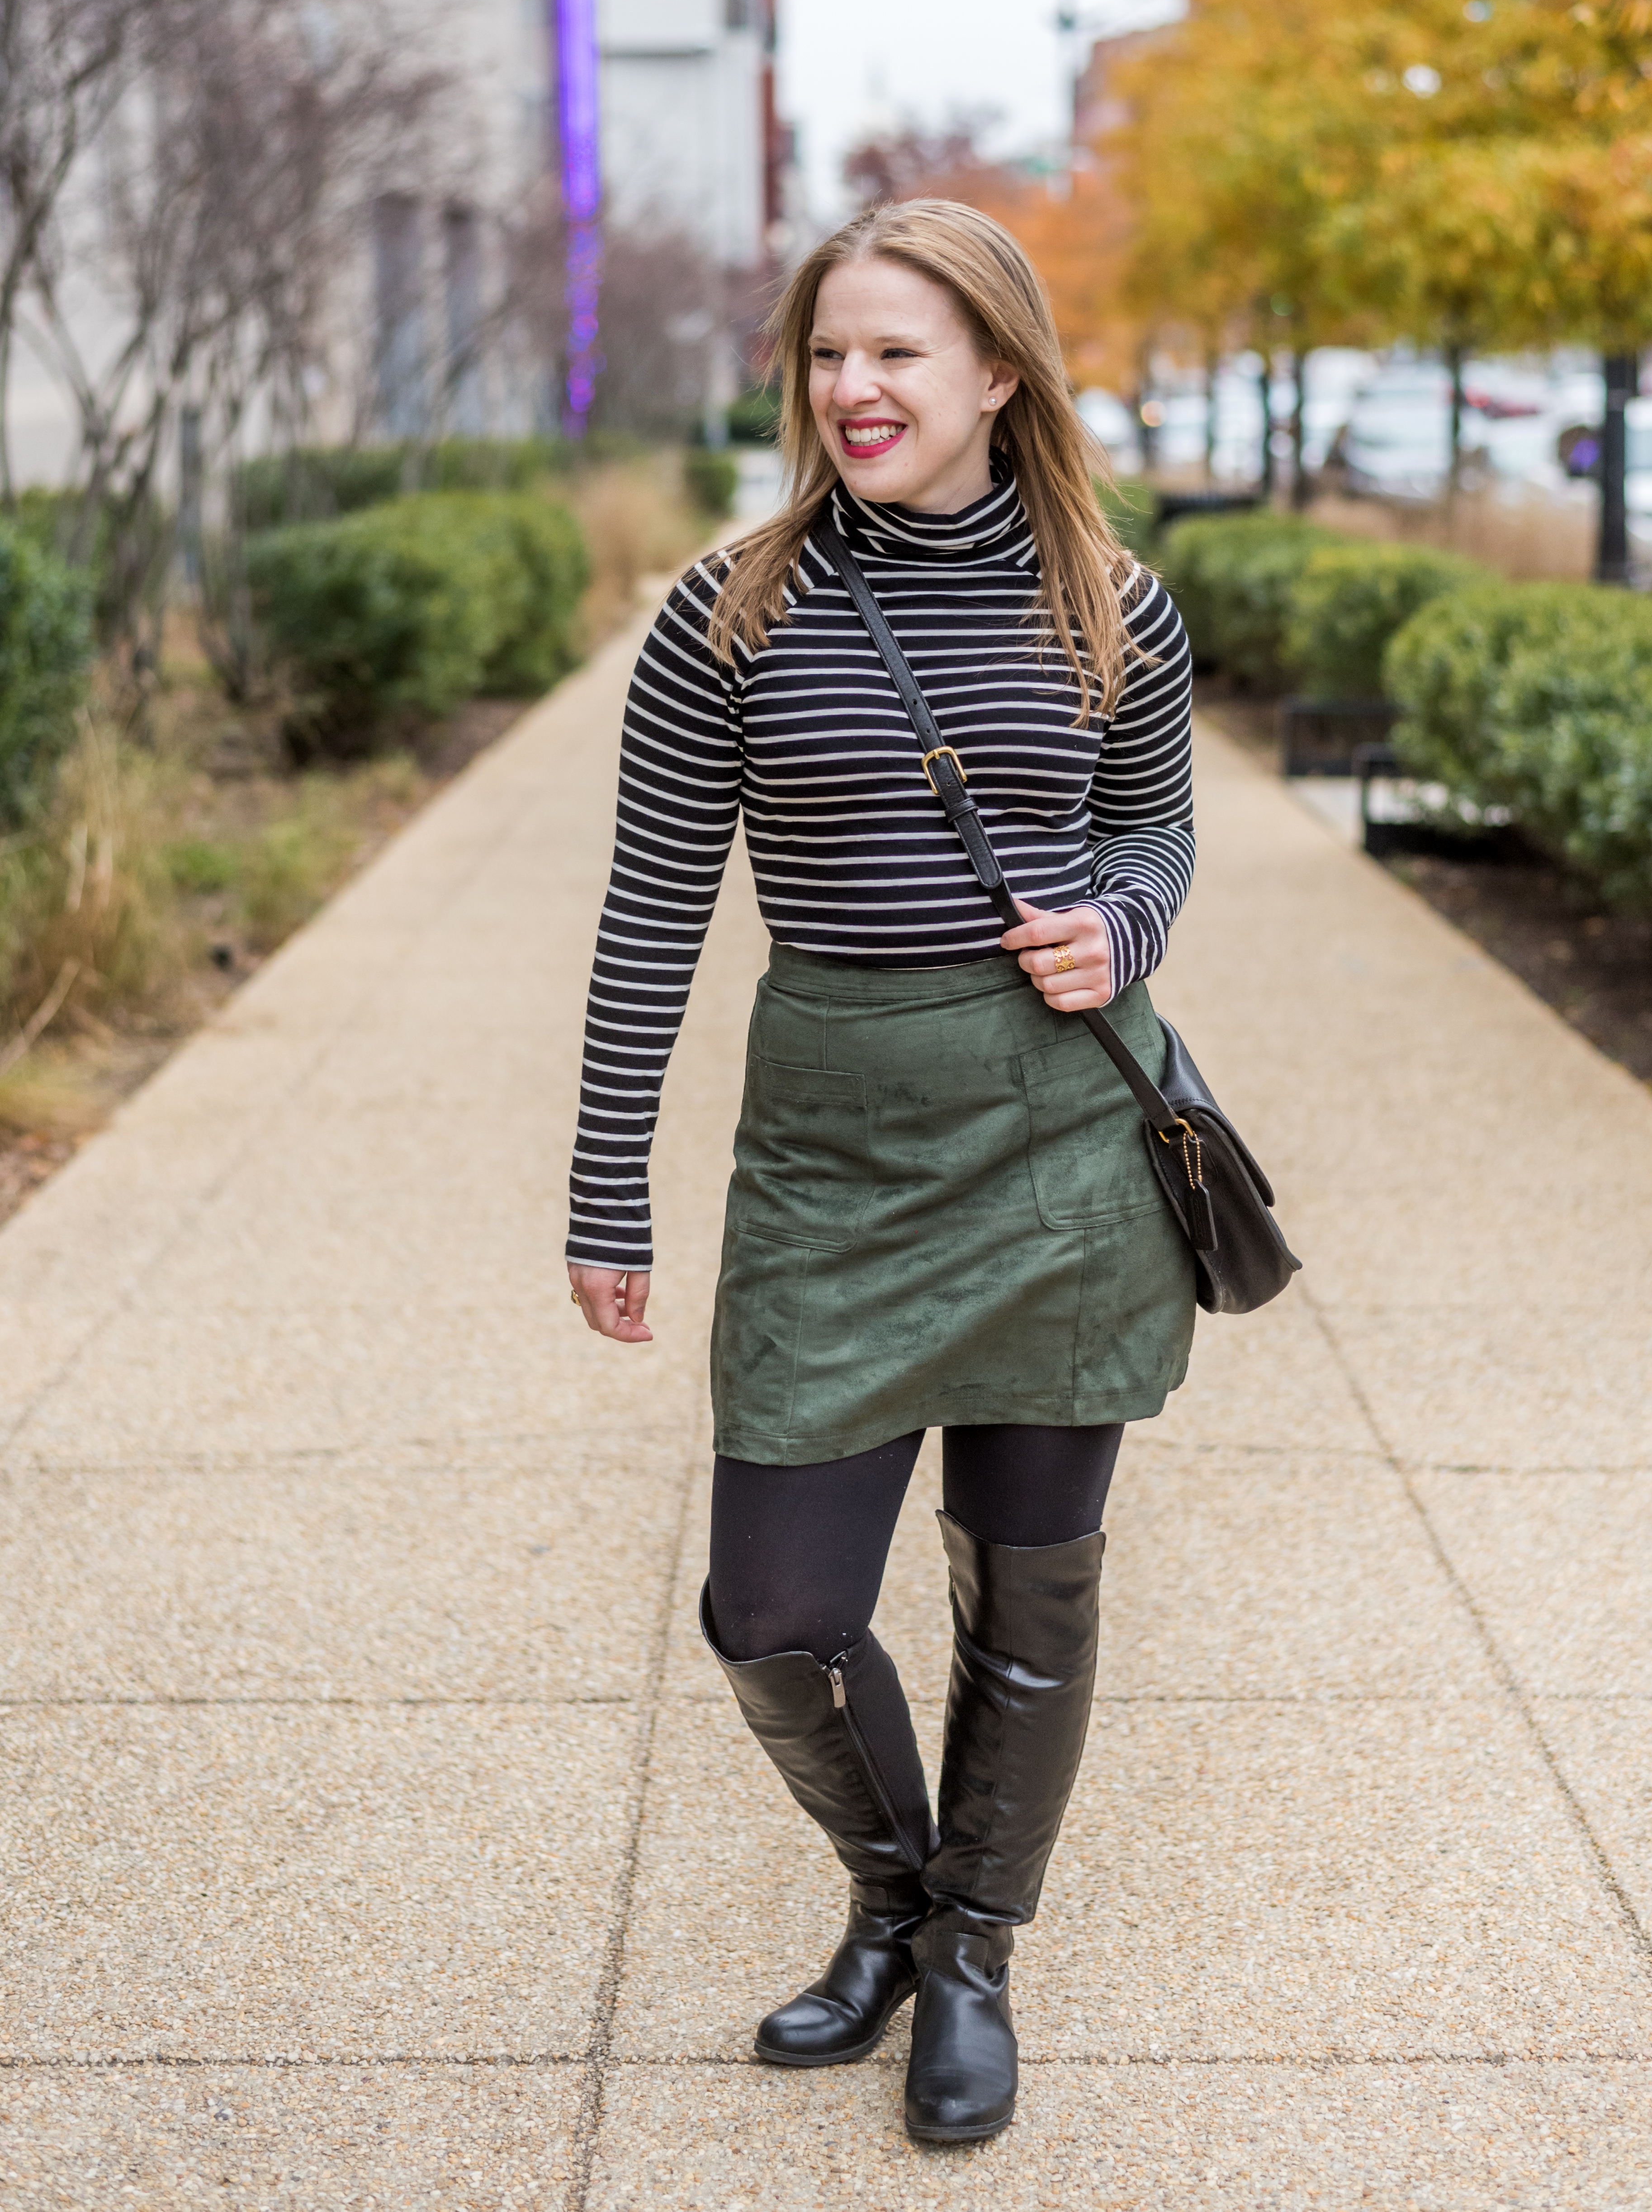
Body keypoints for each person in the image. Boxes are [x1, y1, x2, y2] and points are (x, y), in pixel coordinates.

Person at [566, 198, 1196, 2146]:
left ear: (998, 372)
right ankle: (896, 1898)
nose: (852, 386)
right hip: (835, 1147)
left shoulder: (1111, 598)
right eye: (829, 351)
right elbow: (652, 910)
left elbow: (1156, 835)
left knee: (1030, 1589)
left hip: (1061, 1137)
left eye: (897, 351)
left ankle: (969, 1954)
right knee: (773, 1605)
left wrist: (1124, 928)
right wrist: (608, 1187)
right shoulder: (732, 607)